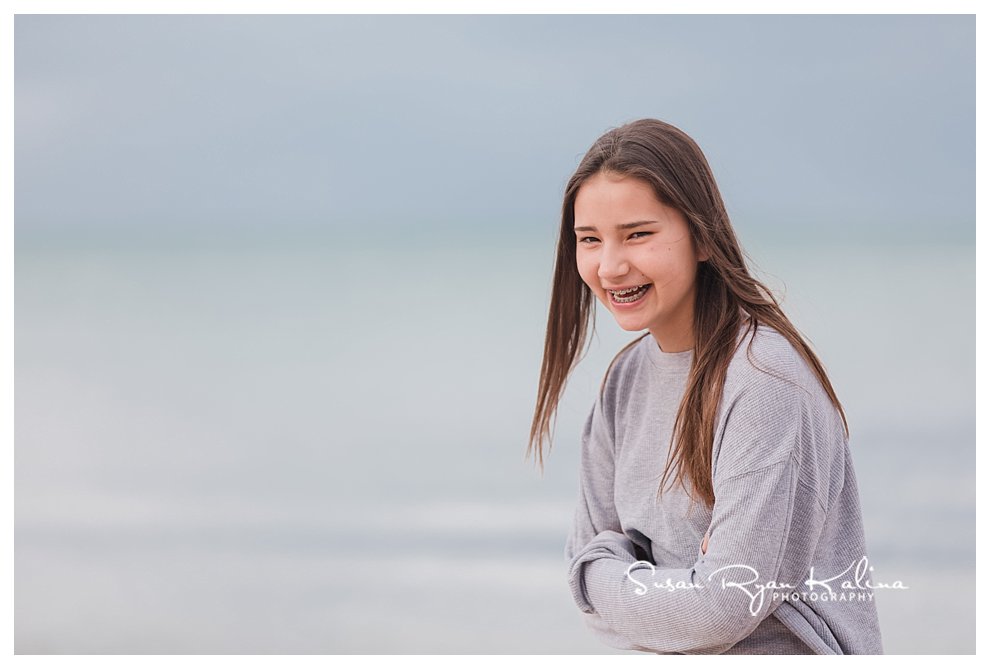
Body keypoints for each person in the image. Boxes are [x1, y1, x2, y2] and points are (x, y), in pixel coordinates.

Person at [527, 119, 883, 654]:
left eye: (637, 234)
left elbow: (720, 610)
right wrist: (675, 582)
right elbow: (585, 583)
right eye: (589, 240)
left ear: (701, 237)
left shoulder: (765, 383)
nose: (610, 266)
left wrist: (617, 571)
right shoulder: (624, 382)